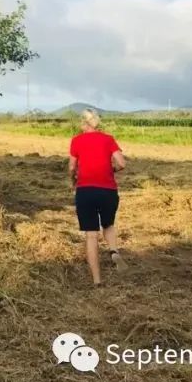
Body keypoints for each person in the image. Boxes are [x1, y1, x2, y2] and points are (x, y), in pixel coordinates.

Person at [68, 108, 126, 286]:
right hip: (108, 191)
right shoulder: (108, 139)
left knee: (91, 235)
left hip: (86, 191)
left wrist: (72, 181)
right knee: (108, 225)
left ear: (84, 123)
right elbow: (122, 163)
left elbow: (71, 167)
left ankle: (97, 281)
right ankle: (114, 250)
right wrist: (112, 169)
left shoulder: (76, 140)